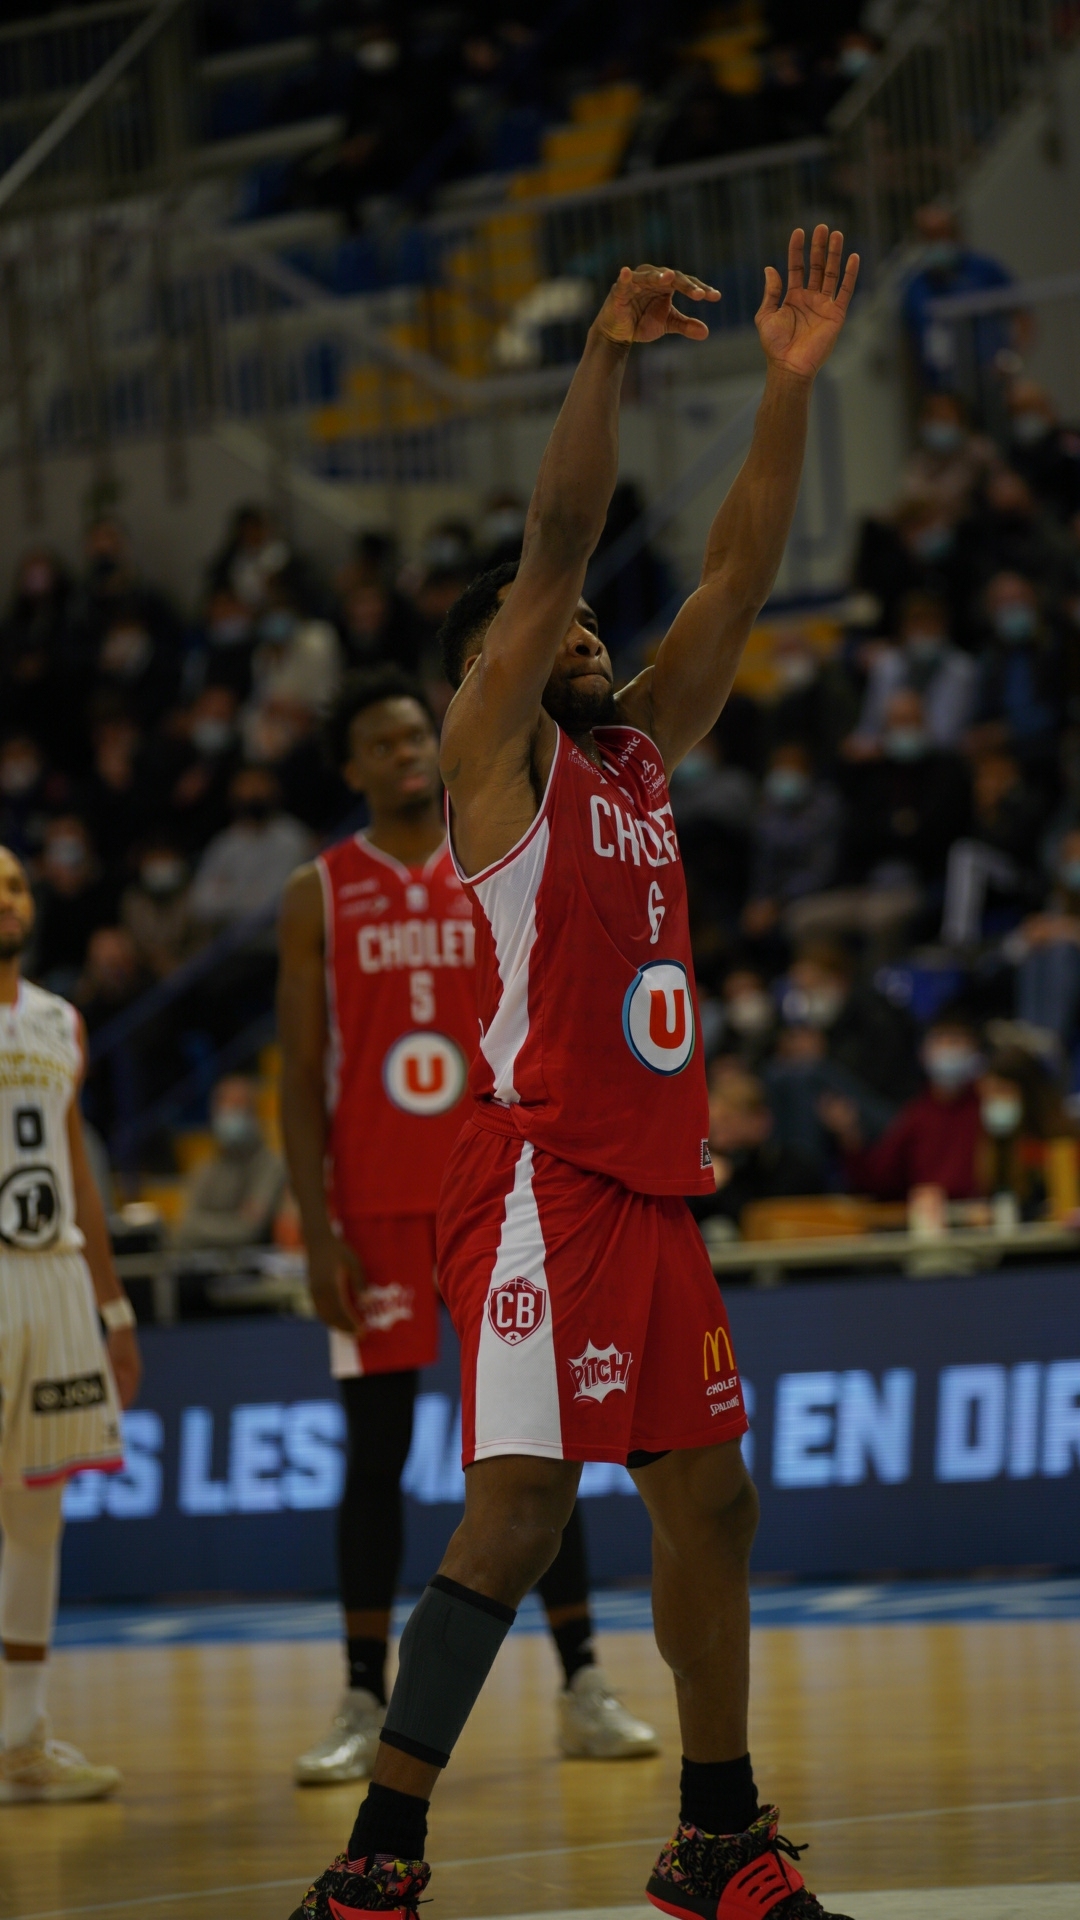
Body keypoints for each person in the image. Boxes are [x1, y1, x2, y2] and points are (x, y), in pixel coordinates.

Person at [289, 230, 860, 1920]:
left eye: (603, 624)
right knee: (522, 1508)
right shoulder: (496, 762)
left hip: (656, 1181)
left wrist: (785, 382)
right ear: (497, 669)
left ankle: (717, 1831)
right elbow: (557, 536)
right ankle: (381, 1858)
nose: (594, 631)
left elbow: (742, 571)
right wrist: (605, 356)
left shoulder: (631, 754)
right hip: (539, 1176)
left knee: (715, 1497)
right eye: (564, 627)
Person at [278, 667, 656, 1793]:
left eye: (416, 732)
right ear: (351, 766)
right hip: (378, 1209)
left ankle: (585, 1678)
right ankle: (361, 1691)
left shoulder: (493, 839)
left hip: (503, 1190)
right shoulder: (320, 891)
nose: (405, 750)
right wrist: (315, 1225)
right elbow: (298, 1076)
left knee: (531, 1444)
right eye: (382, 740)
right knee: (376, 1454)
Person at [0, 844, 141, 1801]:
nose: (6, 897)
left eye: (12, 881)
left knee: (36, 1516)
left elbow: (78, 1174)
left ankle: (20, 1741)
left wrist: (114, 1306)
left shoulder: (60, 1020)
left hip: (49, 1279)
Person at [820, 1009, 987, 1199]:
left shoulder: (987, 1109)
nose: (948, 1050)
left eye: (956, 1042)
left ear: (975, 1053)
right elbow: (878, 1179)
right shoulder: (917, 1114)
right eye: (941, 1041)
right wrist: (850, 1135)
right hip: (926, 1221)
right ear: (924, 1053)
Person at [174, 1076, 285, 1250]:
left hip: (253, 1269)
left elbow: (249, 1229)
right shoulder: (206, 1167)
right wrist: (233, 1222)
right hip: (205, 1266)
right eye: (224, 1109)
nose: (229, 1115)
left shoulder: (270, 1165)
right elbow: (186, 1224)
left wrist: (203, 1226)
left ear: (253, 1114)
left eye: (237, 1108)